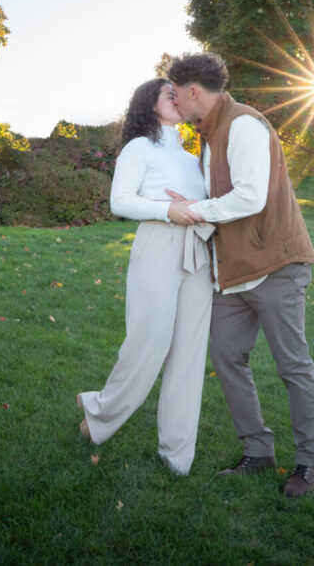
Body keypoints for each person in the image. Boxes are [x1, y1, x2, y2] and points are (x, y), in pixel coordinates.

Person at [166, 52, 314, 497]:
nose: (175, 102)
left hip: (276, 267)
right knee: (227, 357)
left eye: (176, 94)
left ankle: (309, 463)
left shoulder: (243, 125)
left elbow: (250, 197)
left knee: (293, 366)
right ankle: (258, 451)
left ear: (193, 90)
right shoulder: (209, 134)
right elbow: (219, 195)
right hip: (232, 275)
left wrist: (192, 210)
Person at [76, 78, 213, 475]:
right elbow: (119, 201)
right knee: (148, 344)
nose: (180, 98)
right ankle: (100, 411)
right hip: (157, 246)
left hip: (197, 254)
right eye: (170, 94)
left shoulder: (193, 157)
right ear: (149, 105)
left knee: (189, 356)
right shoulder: (140, 147)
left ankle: (177, 457)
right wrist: (166, 210)